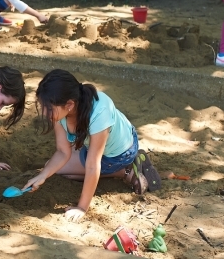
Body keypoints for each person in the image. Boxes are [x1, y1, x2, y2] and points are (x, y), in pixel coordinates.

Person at [22, 69, 161, 221]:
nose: (44, 113)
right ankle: (124, 171)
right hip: (97, 146)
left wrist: (82, 207)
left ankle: (126, 171)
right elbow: (62, 151)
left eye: (49, 109)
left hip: (118, 154)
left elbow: (93, 165)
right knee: (52, 168)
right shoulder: (63, 112)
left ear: (69, 104)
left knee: (62, 170)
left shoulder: (100, 112)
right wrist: (42, 175)